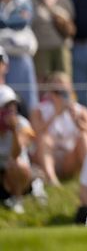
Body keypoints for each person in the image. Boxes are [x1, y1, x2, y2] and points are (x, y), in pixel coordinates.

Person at [31, 72, 87, 186]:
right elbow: (33, 137)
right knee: (44, 138)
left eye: (63, 91)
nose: (59, 95)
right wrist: (55, 114)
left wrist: (78, 122)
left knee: (84, 136)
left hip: (69, 159)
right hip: (46, 157)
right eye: (56, 91)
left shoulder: (81, 111)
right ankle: (52, 179)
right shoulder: (39, 110)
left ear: (70, 90)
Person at [0, 0, 39, 113]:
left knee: (27, 102)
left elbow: (23, 21)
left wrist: (4, 23)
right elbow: (17, 21)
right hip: (2, 59)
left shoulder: (22, 0)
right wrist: (13, 21)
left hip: (21, 59)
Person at [30, 0, 76, 82]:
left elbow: (72, 26)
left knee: (64, 85)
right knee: (43, 88)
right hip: (41, 51)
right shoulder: (32, 0)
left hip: (62, 49)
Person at [0, 84, 35, 214]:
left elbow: (15, 155)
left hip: (18, 176)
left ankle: (17, 199)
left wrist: (14, 130)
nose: (11, 110)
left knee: (15, 164)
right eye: (6, 107)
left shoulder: (23, 124)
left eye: (13, 105)